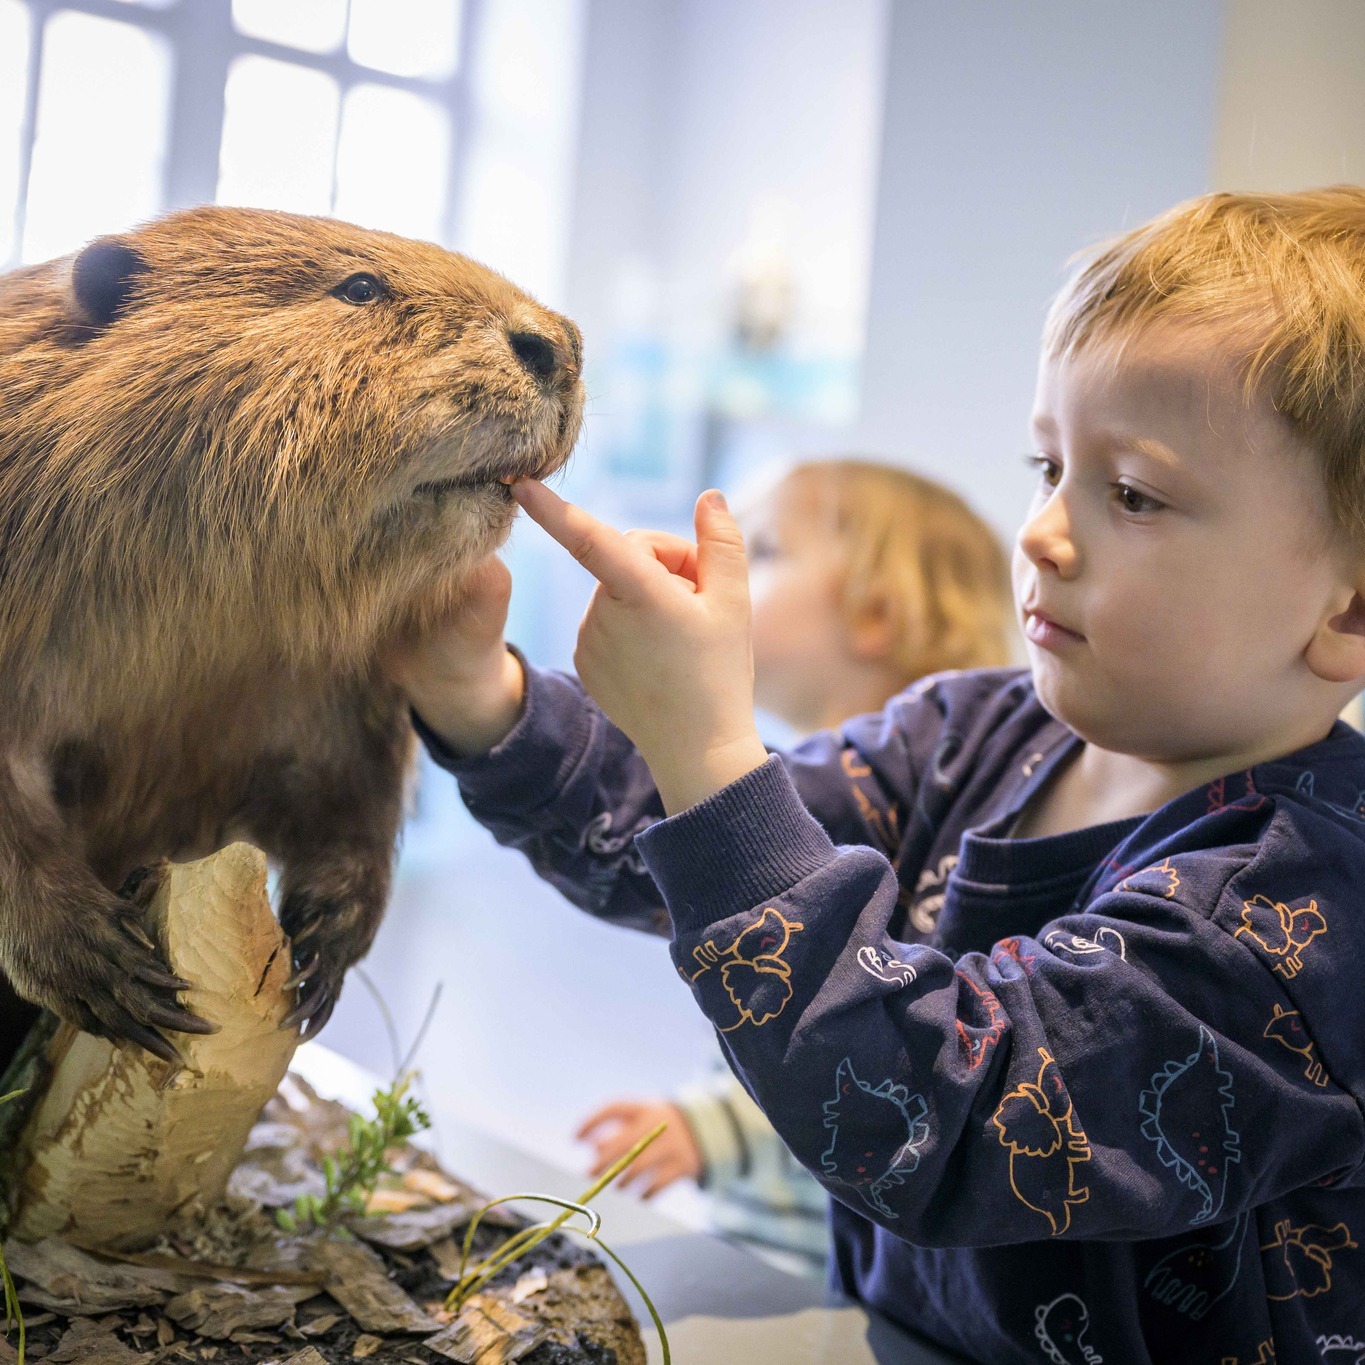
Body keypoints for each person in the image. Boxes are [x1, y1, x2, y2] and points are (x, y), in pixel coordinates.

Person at [388, 187, 1365, 1361]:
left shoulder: (1302, 911)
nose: (1045, 534)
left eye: (1135, 495)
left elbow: (943, 1121)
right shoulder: (967, 732)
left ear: (1348, 606)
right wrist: (482, 696)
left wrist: (705, 746)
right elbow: (686, 851)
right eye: (1048, 466)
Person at [572, 458, 1015, 1277]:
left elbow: (869, 1037)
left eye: (766, 550)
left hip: (828, 1268)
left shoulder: (902, 829)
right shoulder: (805, 788)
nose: (719, 574)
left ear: (877, 611)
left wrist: (708, 1128)